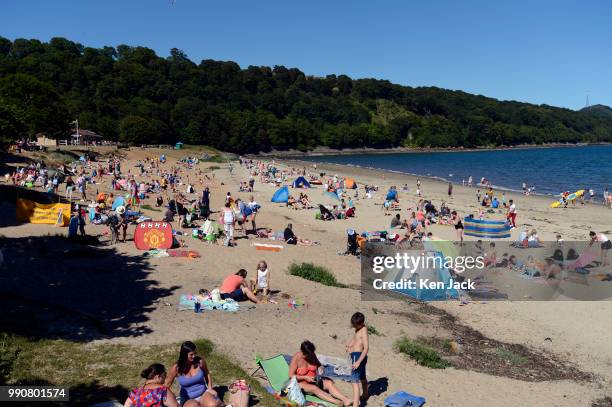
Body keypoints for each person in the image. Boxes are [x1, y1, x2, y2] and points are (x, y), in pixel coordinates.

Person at [289, 341, 352, 406]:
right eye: (308, 355)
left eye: (311, 354)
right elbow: (291, 375)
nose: (310, 356)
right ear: (302, 352)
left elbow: (318, 364)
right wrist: (305, 377)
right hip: (300, 384)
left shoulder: (312, 355)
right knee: (314, 388)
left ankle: (346, 400)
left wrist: (320, 368)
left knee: (328, 383)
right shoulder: (297, 358)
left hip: (314, 381)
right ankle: (337, 402)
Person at [166, 341, 223, 407]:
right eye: (191, 354)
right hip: (188, 399)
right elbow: (166, 385)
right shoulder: (176, 368)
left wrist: (210, 388)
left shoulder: (200, 362)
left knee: (213, 404)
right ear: (184, 354)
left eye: (195, 353)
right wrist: (172, 399)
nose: (194, 356)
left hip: (203, 394)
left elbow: (207, 373)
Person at [346, 312, 369, 405]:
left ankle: (355, 405)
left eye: (355, 325)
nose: (354, 327)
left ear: (360, 323)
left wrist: (358, 362)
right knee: (362, 377)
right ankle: (365, 394)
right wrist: (349, 345)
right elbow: (355, 339)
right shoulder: (358, 329)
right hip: (357, 356)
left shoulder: (363, 330)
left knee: (354, 381)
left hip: (358, 357)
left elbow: (366, 348)